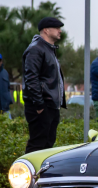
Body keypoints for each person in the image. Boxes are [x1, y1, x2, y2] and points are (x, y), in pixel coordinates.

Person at [23, 17, 66, 153]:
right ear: (46, 30)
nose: (60, 31)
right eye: (57, 28)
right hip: (41, 106)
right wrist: (39, 105)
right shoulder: (36, 49)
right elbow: (31, 78)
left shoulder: (49, 49)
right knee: (37, 145)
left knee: (47, 145)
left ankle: (42, 174)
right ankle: (28, 173)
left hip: (50, 105)